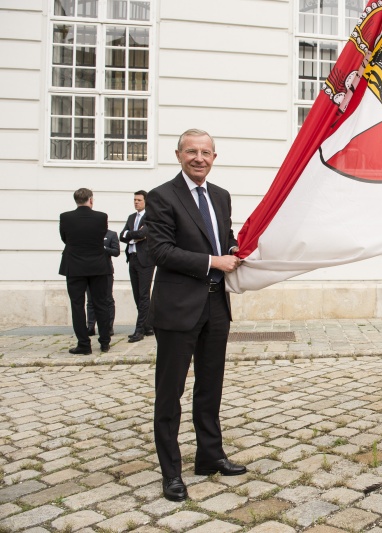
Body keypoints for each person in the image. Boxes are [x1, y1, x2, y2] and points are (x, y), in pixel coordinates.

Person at [146, 129, 246, 502]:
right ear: (178, 155)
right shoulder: (161, 196)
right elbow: (160, 251)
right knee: (169, 392)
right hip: (177, 308)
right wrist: (214, 262)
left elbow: (223, 237)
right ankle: (171, 472)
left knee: (210, 387)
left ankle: (209, 456)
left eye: (206, 152)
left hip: (216, 306)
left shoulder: (220, 196)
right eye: (191, 151)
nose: (199, 158)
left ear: (214, 157)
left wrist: (233, 248)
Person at [59, 188, 113, 355]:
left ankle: (84, 343)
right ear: (90, 200)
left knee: (77, 305)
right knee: (101, 303)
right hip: (97, 265)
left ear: (76, 200)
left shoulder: (65, 217)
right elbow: (101, 235)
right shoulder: (101, 217)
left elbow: (65, 238)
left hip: (75, 266)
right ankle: (105, 342)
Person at [120, 190, 155, 342]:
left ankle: (139, 330)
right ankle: (148, 326)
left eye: (139, 200)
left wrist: (130, 234)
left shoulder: (151, 217)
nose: (136, 202)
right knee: (137, 295)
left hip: (145, 260)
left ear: (146, 201)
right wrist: (134, 236)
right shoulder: (131, 217)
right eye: (134, 200)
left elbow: (143, 234)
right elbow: (122, 236)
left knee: (144, 295)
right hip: (132, 258)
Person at [87, 229, 120, 336]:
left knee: (108, 299)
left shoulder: (111, 234)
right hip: (91, 270)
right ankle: (90, 326)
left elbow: (116, 252)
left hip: (106, 271)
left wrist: (104, 248)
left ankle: (109, 327)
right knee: (90, 300)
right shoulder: (89, 233)